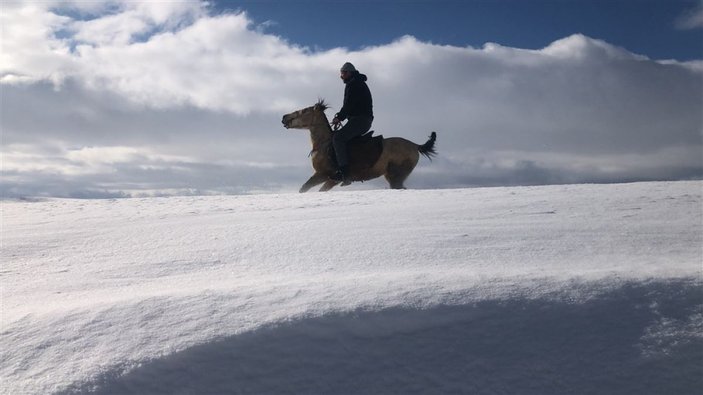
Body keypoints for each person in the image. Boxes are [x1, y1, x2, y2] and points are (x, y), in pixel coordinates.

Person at [330, 62, 374, 184]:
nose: (341, 76)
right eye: (341, 73)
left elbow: (349, 104)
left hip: (360, 120)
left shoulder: (354, 84)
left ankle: (345, 173)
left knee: (338, 138)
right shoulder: (355, 83)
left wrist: (339, 117)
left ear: (349, 73)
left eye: (343, 73)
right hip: (360, 119)